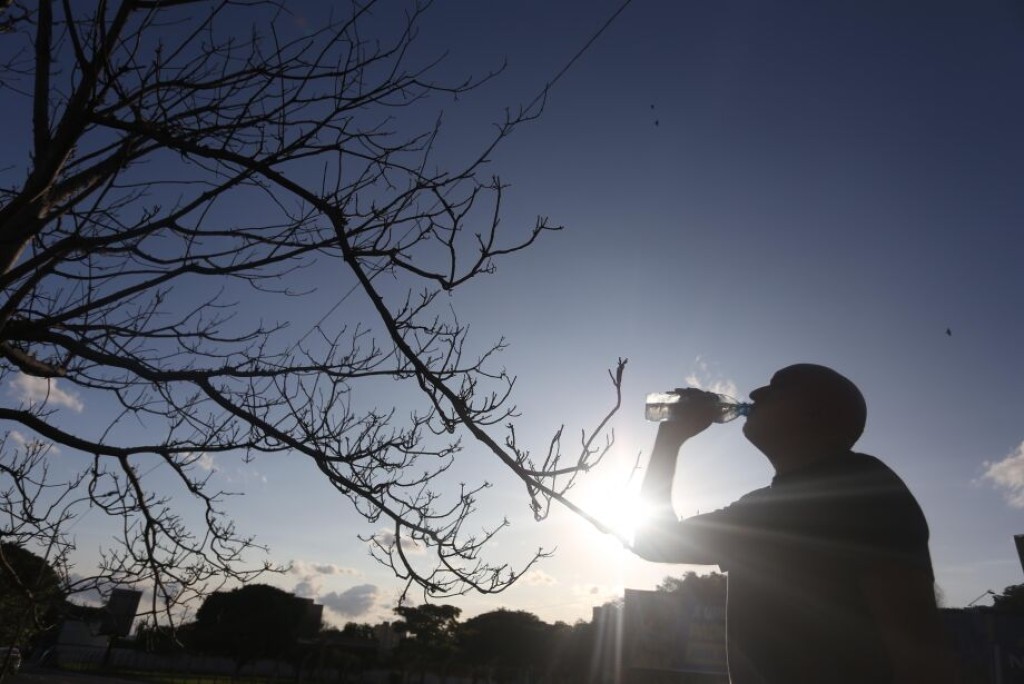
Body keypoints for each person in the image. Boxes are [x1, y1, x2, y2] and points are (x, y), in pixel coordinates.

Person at [632, 364, 957, 684]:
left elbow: (920, 656)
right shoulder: (758, 510)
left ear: (816, 411)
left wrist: (670, 441)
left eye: (778, 386)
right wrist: (670, 436)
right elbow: (653, 542)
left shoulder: (862, 489)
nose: (757, 392)